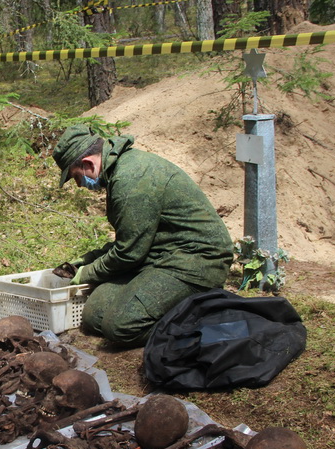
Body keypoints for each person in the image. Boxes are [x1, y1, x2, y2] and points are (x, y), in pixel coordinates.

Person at [53, 124, 233, 347]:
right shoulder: (119, 171)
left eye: (77, 177)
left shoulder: (131, 179)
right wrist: (87, 260)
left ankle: (202, 307)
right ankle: (172, 304)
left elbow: (129, 254)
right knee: (94, 316)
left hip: (196, 260)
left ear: (88, 163)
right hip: (160, 256)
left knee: (119, 328)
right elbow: (132, 240)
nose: (80, 185)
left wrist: (87, 273)